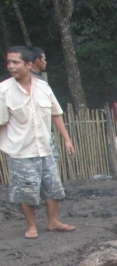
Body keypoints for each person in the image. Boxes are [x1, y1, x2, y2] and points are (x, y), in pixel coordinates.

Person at [0, 46, 76, 239]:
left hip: (45, 147)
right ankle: (31, 226)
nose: (11, 66)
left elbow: (56, 113)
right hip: (21, 151)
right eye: (9, 62)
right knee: (26, 190)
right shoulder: (4, 90)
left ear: (28, 64)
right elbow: (1, 122)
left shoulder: (43, 86)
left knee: (52, 186)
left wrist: (67, 139)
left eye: (15, 62)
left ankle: (53, 221)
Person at [29, 46, 59, 162]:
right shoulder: (35, 82)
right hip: (39, 133)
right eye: (44, 59)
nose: (45, 62)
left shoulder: (39, 80)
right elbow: (54, 111)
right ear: (37, 60)